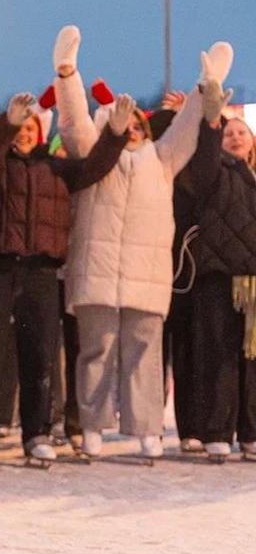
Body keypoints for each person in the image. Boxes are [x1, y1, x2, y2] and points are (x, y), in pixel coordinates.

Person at [55, 27, 221, 462]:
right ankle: (92, 426)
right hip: (96, 274)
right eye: (123, 124)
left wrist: (204, 89)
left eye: (137, 124)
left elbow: (186, 130)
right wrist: (68, 76)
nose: (131, 129)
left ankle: (147, 429)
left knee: (145, 359)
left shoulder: (161, 160)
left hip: (146, 280)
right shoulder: (96, 156)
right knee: (95, 355)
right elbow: (73, 126)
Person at [0, 83, 127, 464]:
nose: (26, 133)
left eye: (32, 128)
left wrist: (115, 134)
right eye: (21, 127)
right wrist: (5, 123)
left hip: (42, 273)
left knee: (40, 355)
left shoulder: (57, 168)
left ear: (42, 134)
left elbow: (96, 166)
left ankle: (38, 432)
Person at [173, 101, 256, 460]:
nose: (235, 138)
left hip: (252, 281)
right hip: (218, 278)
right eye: (229, 133)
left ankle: (251, 433)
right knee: (219, 354)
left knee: (252, 357)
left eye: (241, 133)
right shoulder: (211, 170)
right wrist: (209, 117)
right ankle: (217, 431)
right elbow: (205, 150)